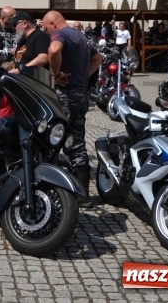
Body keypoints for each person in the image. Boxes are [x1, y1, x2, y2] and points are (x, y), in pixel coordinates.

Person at [42, 10, 101, 205]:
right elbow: (97, 58)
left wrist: (57, 74)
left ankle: (47, 186)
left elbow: (53, 50)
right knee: (77, 140)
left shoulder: (61, 34)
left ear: (52, 23)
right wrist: (84, 76)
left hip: (65, 95)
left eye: (46, 28)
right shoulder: (80, 36)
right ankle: (83, 194)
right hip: (81, 93)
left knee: (52, 137)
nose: (47, 32)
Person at [9, 12, 50, 82]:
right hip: (22, 82)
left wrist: (21, 69)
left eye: (15, 24)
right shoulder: (22, 40)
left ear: (25, 23)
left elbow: (43, 58)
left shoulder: (39, 36)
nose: (13, 28)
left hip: (35, 84)